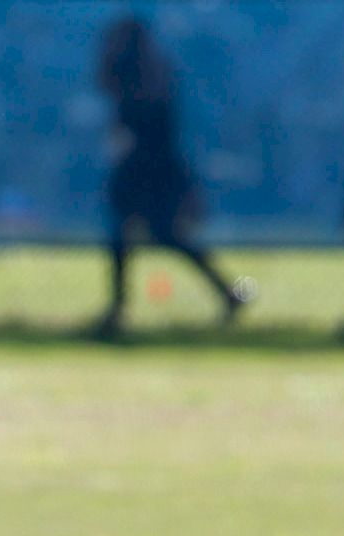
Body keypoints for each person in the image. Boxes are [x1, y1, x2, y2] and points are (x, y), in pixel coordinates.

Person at [97, 16, 242, 336]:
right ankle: (119, 307)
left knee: (159, 236)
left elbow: (148, 129)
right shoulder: (145, 75)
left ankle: (233, 291)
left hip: (150, 170)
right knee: (130, 236)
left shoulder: (146, 80)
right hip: (146, 169)